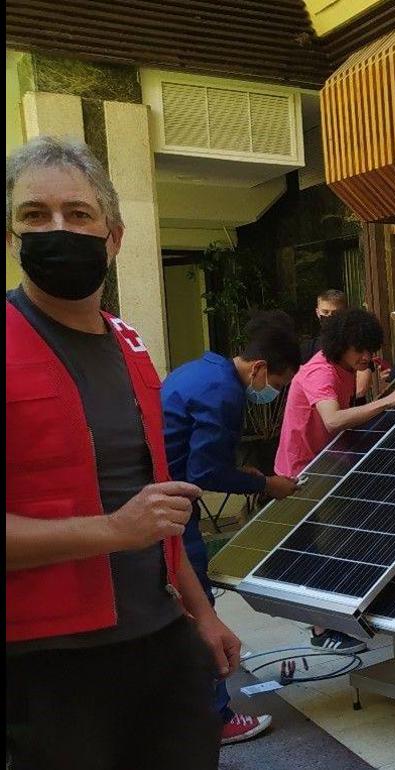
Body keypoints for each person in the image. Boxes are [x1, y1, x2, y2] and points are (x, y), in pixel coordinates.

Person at [6, 136, 236, 769]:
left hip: (161, 642)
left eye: (77, 215)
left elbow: (155, 507)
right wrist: (110, 530)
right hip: (51, 662)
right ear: (11, 235)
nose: (58, 230)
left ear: (113, 236)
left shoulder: (130, 346)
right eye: (34, 216)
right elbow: (130, 521)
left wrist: (200, 614)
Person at [161, 310, 303, 745]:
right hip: (170, 510)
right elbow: (206, 469)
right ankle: (215, 718)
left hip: (156, 500)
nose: (272, 395)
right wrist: (265, 482)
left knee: (172, 611)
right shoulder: (224, 392)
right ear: (260, 368)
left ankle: (176, 712)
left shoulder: (198, 370)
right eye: (276, 386)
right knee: (198, 606)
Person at [276, 308, 395, 652]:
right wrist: (386, 402)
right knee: (325, 546)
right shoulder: (320, 372)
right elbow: (332, 420)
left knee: (343, 541)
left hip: (330, 464)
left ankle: (345, 613)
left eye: (370, 351)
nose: (366, 358)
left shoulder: (344, 369)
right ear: (341, 344)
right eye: (361, 351)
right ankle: (323, 629)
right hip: (304, 471)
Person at [300, 289, 383, 405]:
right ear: (317, 312)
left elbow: (361, 388)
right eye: (325, 312)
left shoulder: (357, 342)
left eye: (335, 314)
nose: (329, 317)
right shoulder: (308, 349)